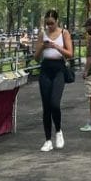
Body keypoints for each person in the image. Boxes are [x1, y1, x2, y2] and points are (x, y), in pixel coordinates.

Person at [35, 9, 72, 152]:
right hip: (45, 69)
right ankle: (47, 140)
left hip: (58, 69)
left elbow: (70, 54)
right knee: (46, 106)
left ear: (57, 21)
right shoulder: (42, 35)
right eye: (47, 23)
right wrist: (43, 47)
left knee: (55, 103)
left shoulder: (64, 33)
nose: (49, 26)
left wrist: (56, 46)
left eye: (51, 23)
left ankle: (58, 131)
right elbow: (36, 57)